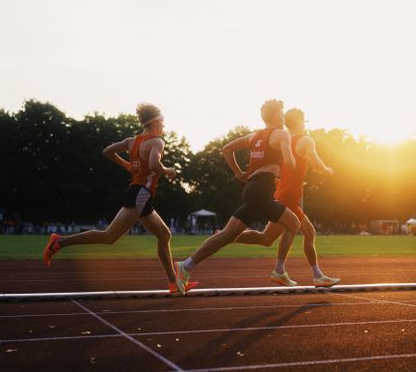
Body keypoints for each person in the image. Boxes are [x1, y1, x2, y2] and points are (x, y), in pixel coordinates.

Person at [42, 103, 197, 295]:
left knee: (132, 236)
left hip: (136, 192)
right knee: (130, 236)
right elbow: (154, 164)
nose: (163, 126)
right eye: (162, 122)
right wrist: (168, 171)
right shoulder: (157, 141)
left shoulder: (132, 141)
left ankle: (174, 283)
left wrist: (126, 164)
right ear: (155, 121)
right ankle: (59, 242)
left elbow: (107, 151)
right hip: (141, 194)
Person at [174, 99, 301, 293]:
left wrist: (238, 173)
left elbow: (226, 149)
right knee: (293, 224)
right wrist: (290, 154)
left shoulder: (253, 136)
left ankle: (186, 265)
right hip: (262, 191)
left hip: (252, 188)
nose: (284, 118)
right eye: (283, 115)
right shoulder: (282, 134)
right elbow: (290, 163)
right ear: (276, 116)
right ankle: (279, 271)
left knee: (230, 235)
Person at [235, 108, 340, 287]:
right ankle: (280, 270)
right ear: (300, 121)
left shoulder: (281, 139)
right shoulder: (305, 140)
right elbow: (315, 162)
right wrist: (327, 170)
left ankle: (317, 275)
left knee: (272, 237)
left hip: (282, 191)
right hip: (290, 194)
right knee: (286, 231)